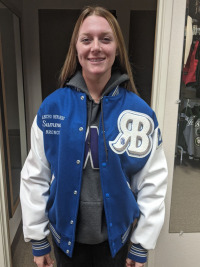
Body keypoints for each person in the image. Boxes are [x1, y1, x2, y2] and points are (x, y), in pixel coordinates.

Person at [20, 6, 168, 267]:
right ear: (76, 48)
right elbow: (35, 175)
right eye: (87, 39)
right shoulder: (52, 109)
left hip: (117, 241)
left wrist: (141, 244)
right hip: (66, 240)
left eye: (105, 39)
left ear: (117, 48)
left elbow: (152, 181)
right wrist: (38, 238)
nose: (96, 47)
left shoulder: (139, 113)